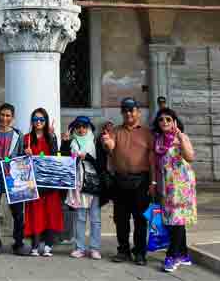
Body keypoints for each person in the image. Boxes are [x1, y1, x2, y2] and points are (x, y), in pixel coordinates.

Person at [101, 96, 153, 266]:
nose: (128, 113)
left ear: (138, 112)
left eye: (131, 110)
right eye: (125, 110)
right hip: (120, 181)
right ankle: (123, 250)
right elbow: (110, 145)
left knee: (140, 219)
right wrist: (107, 142)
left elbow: (152, 159)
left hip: (141, 181)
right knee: (121, 219)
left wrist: (153, 182)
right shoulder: (115, 131)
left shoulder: (147, 133)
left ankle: (140, 252)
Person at [150, 108, 197, 273]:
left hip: (181, 185)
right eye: (161, 119)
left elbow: (190, 157)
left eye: (168, 119)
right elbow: (156, 164)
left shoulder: (181, 137)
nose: (164, 122)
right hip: (166, 185)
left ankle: (171, 256)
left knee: (176, 220)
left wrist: (181, 139)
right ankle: (183, 254)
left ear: (175, 122)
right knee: (173, 220)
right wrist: (154, 183)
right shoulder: (158, 141)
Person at [0, 103, 30, 256]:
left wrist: (27, 153)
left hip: (13, 178)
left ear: (12, 117)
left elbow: (22, 155)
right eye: (2, 115)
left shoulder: (18, 134)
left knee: (18, 213)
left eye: (8, 115)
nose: (4, 118)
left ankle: (18, 243)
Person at [23, 107, 64, 257]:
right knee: (35, 213)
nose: (38, 122)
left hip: (49, 180)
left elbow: (56, 156)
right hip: (33, 181)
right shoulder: (27, 138)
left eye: (41, 119)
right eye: (35, 119)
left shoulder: (51, 137)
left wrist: (53, 137)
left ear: (45, 121)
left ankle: (48, 245)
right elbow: (20, 161)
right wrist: (25, 153)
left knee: (50, 212)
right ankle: (35, 245)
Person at [62, 116, 102, 260]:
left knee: (95, 218)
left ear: (89, 127)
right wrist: (65, 142)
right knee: (80, 217)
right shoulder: (72, 142)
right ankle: (80, 248)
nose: (81, 129)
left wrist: (88, 158)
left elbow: (101, 164)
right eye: (78, 126)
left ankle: (94, 248)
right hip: (78, 183)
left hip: (94, 183)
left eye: (84, 126)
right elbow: (65, 159)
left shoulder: (96, 142)